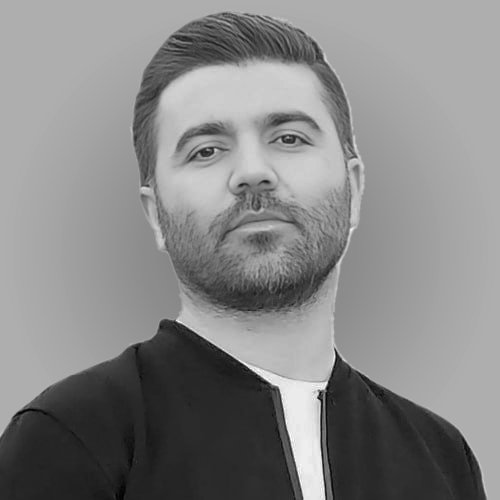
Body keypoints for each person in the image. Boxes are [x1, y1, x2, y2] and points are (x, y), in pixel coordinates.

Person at [0, 11, 487, 500]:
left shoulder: (441, 456)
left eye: (289, 138)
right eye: (206, 150)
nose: (253, 172)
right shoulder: (72, 436)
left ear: (355, 188)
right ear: (155, 214)